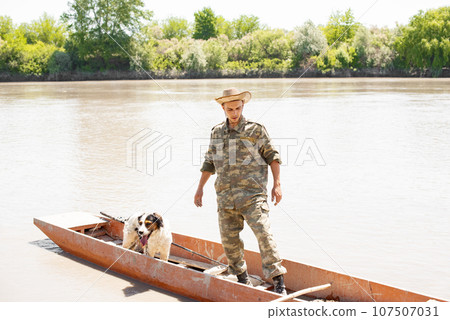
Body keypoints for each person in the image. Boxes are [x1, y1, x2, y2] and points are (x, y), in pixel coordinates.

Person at [194, 87, 287, 295]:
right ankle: (242, 279)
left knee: (264, 235)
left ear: (243, 106)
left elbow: (272, 156)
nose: (234, 113)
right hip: (225, 197)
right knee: (229, 242)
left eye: (237, 108)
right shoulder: (216, 132)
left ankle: (279, 282)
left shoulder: (256, 130)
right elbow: (209, 162)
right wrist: (200, 188)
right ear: (223, 108)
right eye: (230, 110)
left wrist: (277, 183)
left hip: (252, 196)